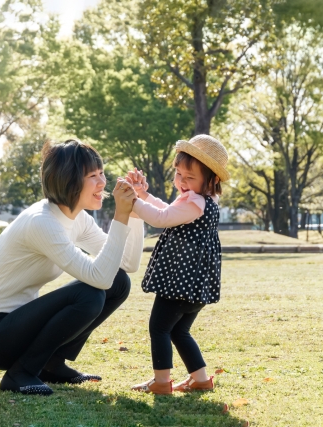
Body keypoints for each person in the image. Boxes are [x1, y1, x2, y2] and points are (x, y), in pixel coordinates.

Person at [0, 139, 143, 396]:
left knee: (120, 282)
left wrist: (134, 213)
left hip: (16, 326)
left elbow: (126, 264)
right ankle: (20, 373)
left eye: (101, 173)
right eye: (92, 175)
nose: (103, 182)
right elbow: (99, 278)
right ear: (68, 181)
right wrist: (120, 215)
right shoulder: (42, 222)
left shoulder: (77, 218)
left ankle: (51, 363)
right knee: (90, 294)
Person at [127, 134, 229, 395]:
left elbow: (162, 218)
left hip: (179, 284)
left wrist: (133, 201)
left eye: (189, 177)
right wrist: (144, 195)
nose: (181, 182)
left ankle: (161, 383)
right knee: (179, 331)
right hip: (193, 286)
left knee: (159, 327)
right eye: (179, 174)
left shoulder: (195, 203)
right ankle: (201, 379)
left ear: (212, 180)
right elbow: (167, 209)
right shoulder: (201, 200)